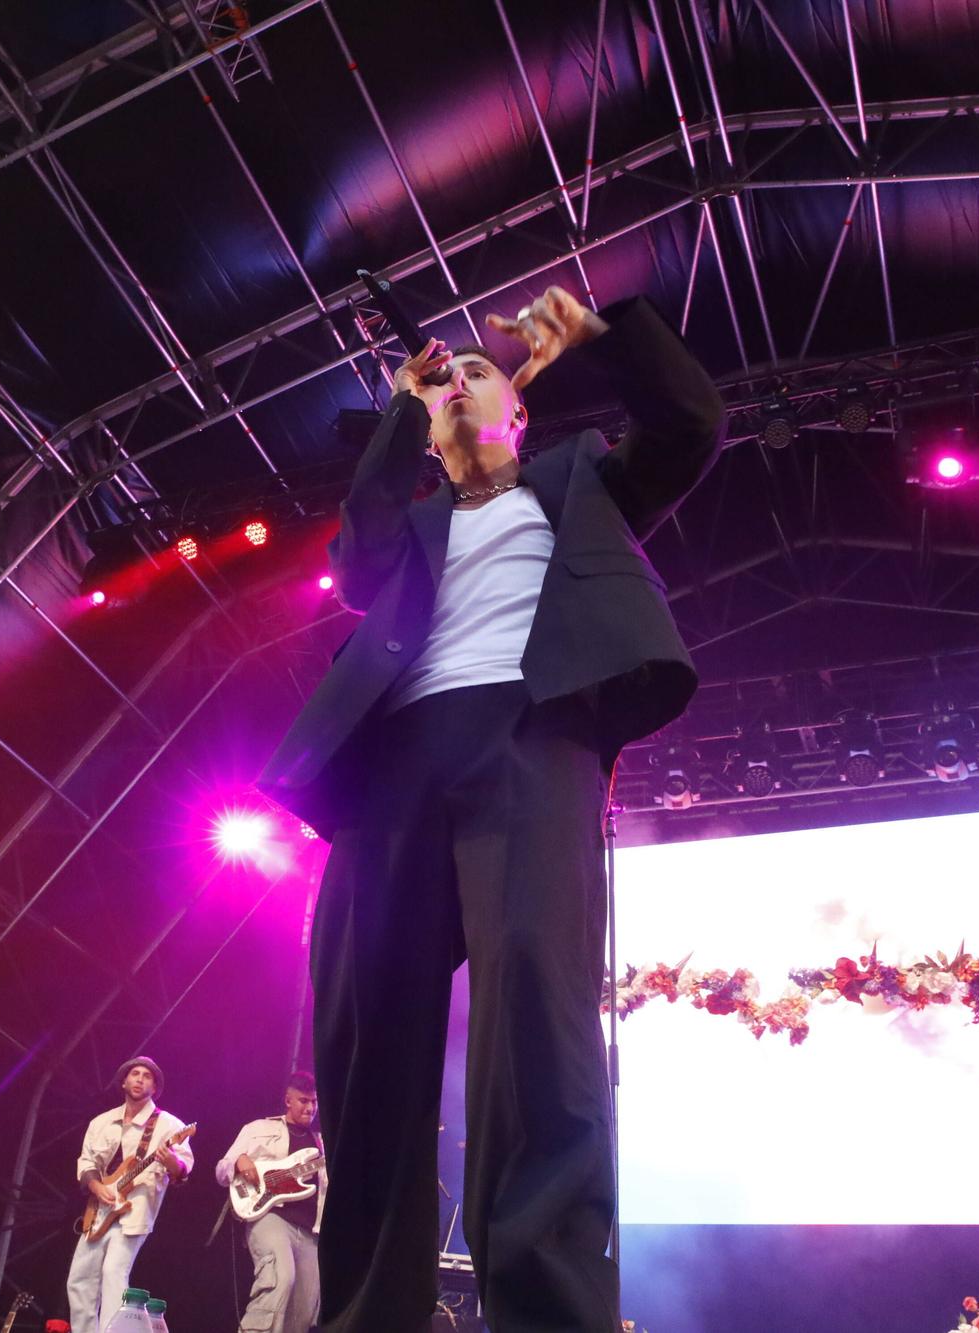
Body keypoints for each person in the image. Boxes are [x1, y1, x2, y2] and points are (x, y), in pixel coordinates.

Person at [259, 287, 726, 1332]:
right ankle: (366, 1314)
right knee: (365, 1030)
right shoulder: (413, 522)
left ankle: (547, 1310)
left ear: (519, 411)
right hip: (393, 763)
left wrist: (603, 340)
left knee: (534, 1013)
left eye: (481, 371)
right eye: (445, 380)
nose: (459, 381)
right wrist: (398, 407)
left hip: (531, 736)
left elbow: (690, 425)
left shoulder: (580, 482)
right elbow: (355, 549)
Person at [67, 1056, 192, 1333]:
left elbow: (182, 1170)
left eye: (147, 1076)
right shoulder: (101, 1122)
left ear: (155, 1087)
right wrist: (96, 1186)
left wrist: (170, 1160)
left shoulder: (170, 1125)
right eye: (134, 1074)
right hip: (100, 1208)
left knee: (114, 1272)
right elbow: (87, 1162)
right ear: (123, 1081)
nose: (140, 1079)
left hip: (136, 1209)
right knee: (79, 1278)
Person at [216, 1072, 325, 1333]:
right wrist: (241, 1162)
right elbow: (222, 1169)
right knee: (280, 1278)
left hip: (311, 1231)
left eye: (314, 1102)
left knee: (305, 1304)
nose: (309, 1107)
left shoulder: (322, 1143)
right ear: (288, 1100)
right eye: (303, 1101)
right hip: (270, 1217)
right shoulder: (258, 1129)